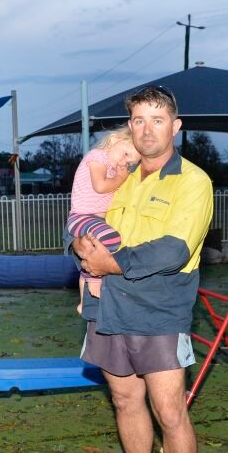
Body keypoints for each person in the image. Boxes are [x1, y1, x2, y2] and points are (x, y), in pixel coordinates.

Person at [72, 85, 213, 453]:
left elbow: (173, 250)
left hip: (159, 310)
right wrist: (79, 249)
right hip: (108, 305)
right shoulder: (122, 176)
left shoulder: (192, 181)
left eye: (157, 119)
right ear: (128, 127)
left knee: (170, 410)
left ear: (175, 127)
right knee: (124, 399)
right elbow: (85, 220)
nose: (146, 129)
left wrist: (108, 263)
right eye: (137, 120)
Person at [65, 128, 140, 314]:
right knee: (112, 240)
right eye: (125, 153)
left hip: (95, 220)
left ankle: (84, 302)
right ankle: (94, 275)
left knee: (100, 247)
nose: (125, 162)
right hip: (82, 217)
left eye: (130, 162)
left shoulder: (114, 168)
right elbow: (100, 186)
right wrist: (121, 178)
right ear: (115, 139)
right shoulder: (98, 156)